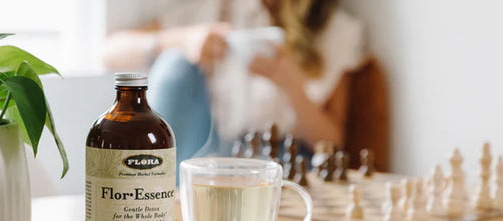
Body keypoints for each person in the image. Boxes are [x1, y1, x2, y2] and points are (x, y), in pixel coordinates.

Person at [103, 0, 366, 164]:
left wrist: (291, 86)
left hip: (283, 159)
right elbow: (110, 51)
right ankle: (150, 197)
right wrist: (182, 40)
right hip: (209, 150)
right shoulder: (215, 9)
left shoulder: (336, 30)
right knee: (176, 64)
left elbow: (331, 143)